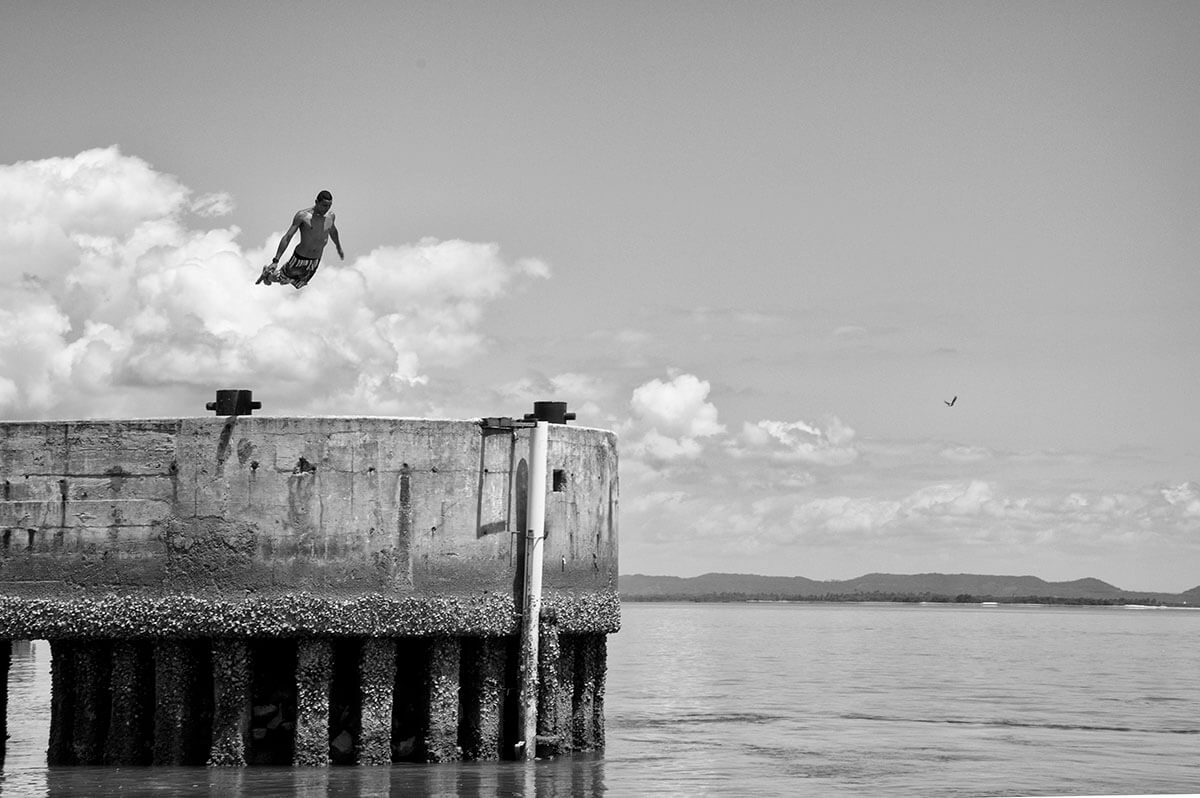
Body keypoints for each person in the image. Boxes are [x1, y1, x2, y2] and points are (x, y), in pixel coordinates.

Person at [256, 190, 344, 288]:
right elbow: (288, 236)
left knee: (297, 284)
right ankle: (268, 276)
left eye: (329, 205)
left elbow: (333, 231)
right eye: (324, 205)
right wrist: (276, 260)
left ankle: (269, 275)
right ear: (316, 202)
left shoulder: (331, 217)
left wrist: (338, 246)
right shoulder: (303, 216)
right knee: (282, 278)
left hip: (315, 260)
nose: (326, 208)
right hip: (300, 257)